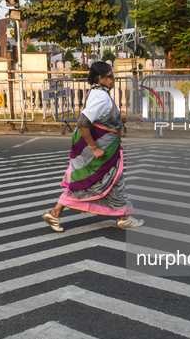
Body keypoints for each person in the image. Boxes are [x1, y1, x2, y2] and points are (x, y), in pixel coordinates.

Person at [42, 61, 144, 232]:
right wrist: (95, 148)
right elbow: (83, 122)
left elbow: (106, 119)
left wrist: (132, 117)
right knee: (102, 181)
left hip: (104, 146)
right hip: (99, 148)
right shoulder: (101, 96)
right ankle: (122, 218)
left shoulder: (96, 93)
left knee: (104, 181)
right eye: (111, 76)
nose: (114, 80)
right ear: (101, 79)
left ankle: (56, 212)